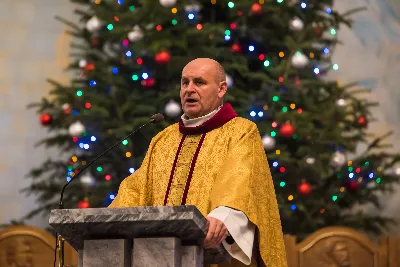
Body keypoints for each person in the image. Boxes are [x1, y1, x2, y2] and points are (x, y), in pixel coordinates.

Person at [109, 58, 288, 267]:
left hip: (213, 256)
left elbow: (240, 181)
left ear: (221, 89)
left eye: (199, 82)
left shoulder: (240, 131)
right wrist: (108, 222)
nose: (189, 89)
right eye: (185, 83)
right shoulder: (163, 139)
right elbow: (136, 189)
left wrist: (223, 216)